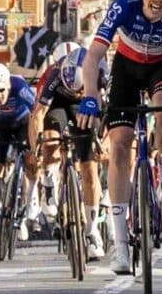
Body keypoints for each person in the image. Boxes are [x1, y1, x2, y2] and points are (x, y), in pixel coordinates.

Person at [76, 0, 162, 275]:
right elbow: (94, 57)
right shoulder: (125, 4)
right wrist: (90, 96)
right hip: (127, 67)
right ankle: (120, 245)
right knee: (120, 144)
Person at [30, 46, 109, 261]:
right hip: (59, 104)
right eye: (72, 89)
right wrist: (37, 147)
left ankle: (92, 231)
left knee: (89, 168)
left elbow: (109, 115)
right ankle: (49, 182)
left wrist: (103, 141)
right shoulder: (55, 74)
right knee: (50, 136)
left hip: (88, 103)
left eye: (77, 90)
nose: (75, 93)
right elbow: (38, 114)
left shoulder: (101, 74)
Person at [0, 62, 35, 248]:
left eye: (1, 90)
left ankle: (27, 208)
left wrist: (35, 144)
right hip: (0, 127)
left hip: (23, 123)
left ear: (8, 85)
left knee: (30, 161)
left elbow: (37, 112)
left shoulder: (19, 87)